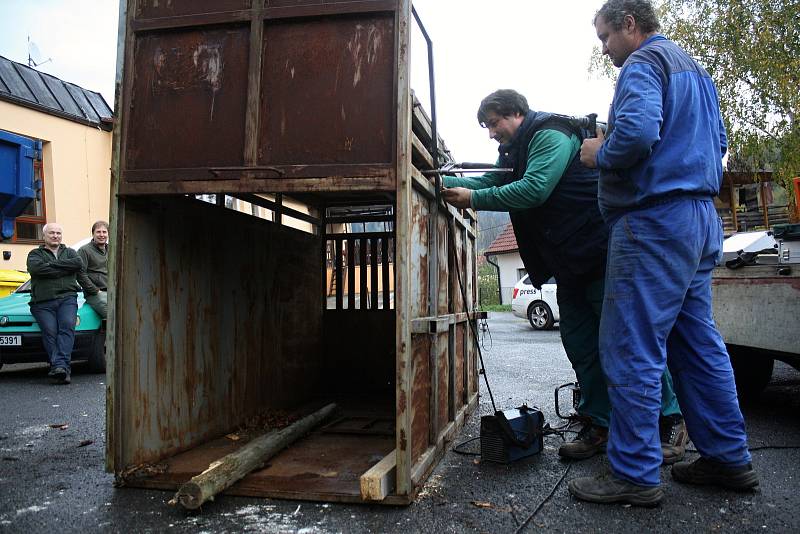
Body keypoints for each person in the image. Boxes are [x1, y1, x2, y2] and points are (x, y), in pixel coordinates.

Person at [570, 0, 757, 506]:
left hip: (653, 222)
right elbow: (718, 142)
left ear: (630, 25)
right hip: (698, 219)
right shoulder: (695, 69)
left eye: (606, 38)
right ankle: (728, 458)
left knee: (631, 345)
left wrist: (597, 154)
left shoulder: (643, 63)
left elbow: (635, 134)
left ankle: (633, 473)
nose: (606, 51)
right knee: (697, 344)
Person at [441, 89, 687, 463]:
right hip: (569, 262)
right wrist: (449, 188)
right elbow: (490, 182)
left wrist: (472, 200)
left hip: (601, 252)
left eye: (494, 123)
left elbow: (535, 189)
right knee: (581, 345)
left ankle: (668, 420)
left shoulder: (549, 135)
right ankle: (600, 423)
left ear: (516, 114)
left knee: (628, 340)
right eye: (487, 127)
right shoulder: (513, 151)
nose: (491, 133)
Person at [27, 223, 83, 385]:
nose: (55, 236)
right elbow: (37, 270)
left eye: (58, 233)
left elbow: (78, 264)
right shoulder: (35, 254)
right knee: (50, 332)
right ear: (44, 236)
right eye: (51, 233)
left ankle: (59, 367)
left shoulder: (70, 252)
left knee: (66, 327)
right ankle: (62, 368)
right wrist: (65, 268)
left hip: (67, 299)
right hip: (42, 302)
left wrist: (51, 267)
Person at [77, 221, 109, 320]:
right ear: (93, 234)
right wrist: (95, 290)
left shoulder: (112, 249)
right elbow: (80, 274)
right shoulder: (84, 250)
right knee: (113, 319)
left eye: (104, 232)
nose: (101, 235)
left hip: (112, 292)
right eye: (98, 232)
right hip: (96, 294)